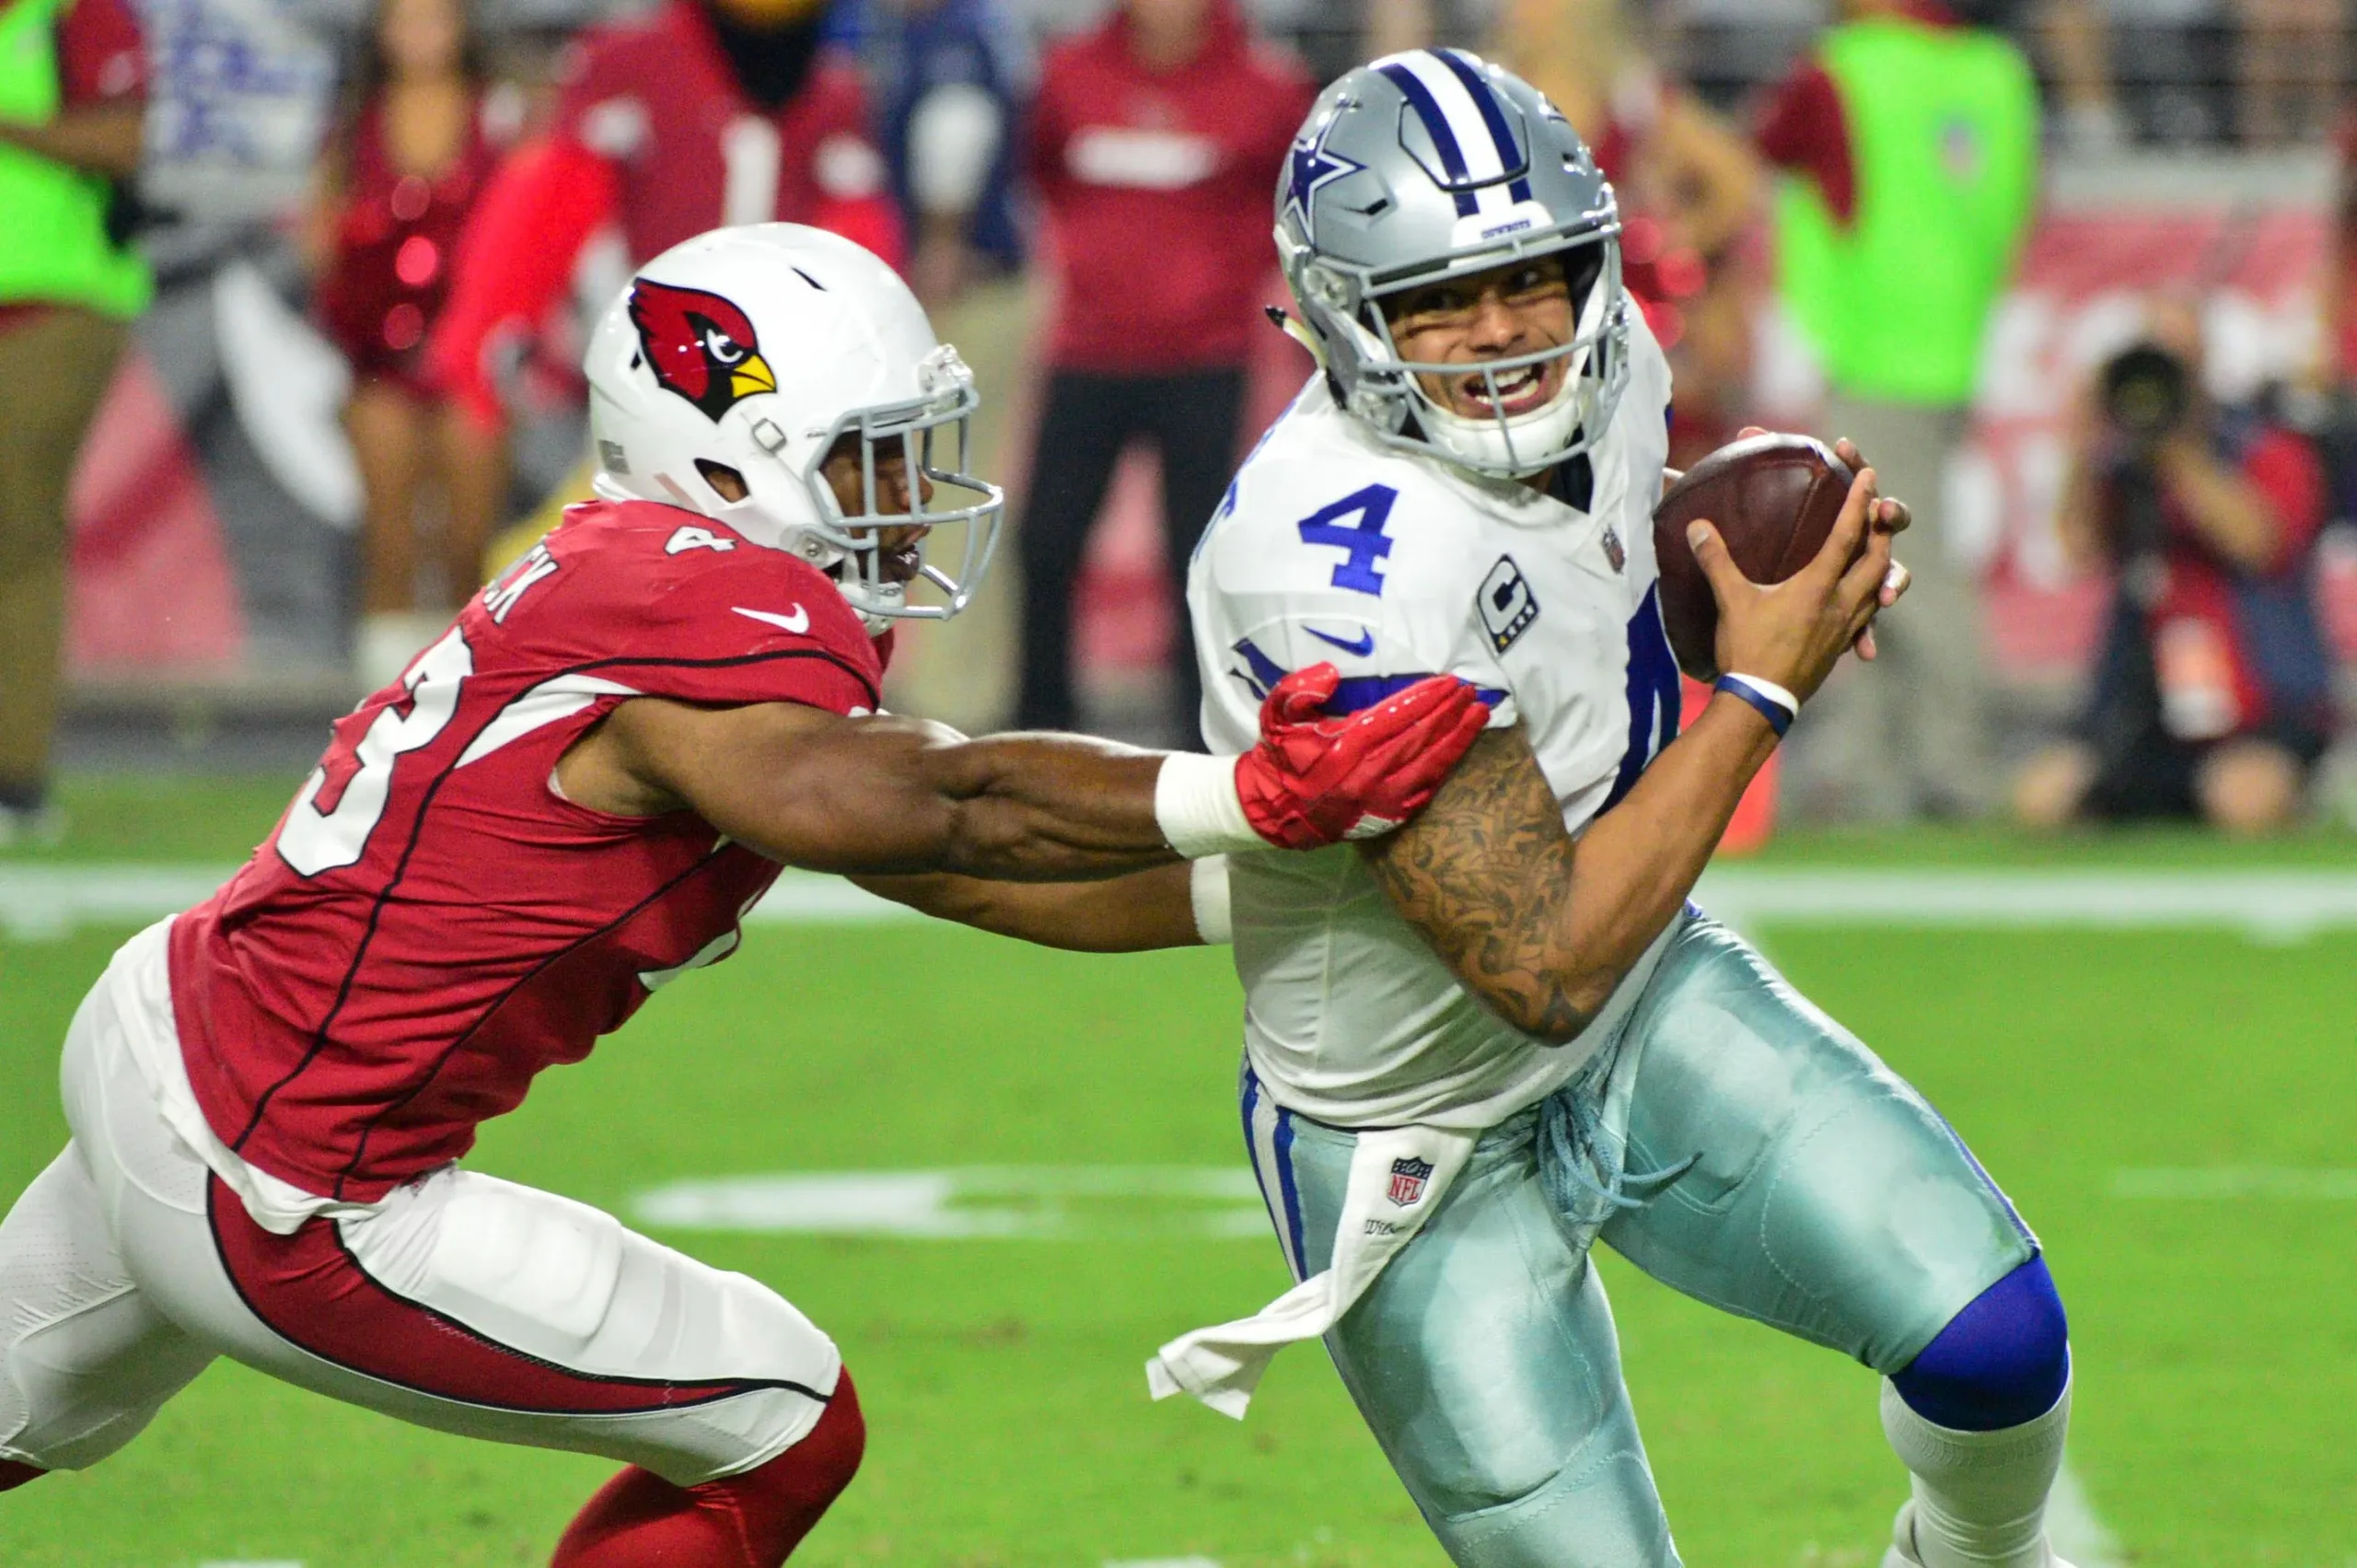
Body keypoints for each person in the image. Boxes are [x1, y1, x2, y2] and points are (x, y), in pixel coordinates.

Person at [0, 224, 1487, 1568]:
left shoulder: (633, 566)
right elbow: (935, 798)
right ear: (731, 460)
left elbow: (948, 859)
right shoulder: (713, 601)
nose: (908, 498)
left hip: (163, 1042)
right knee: (783, 1420)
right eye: (869, 457)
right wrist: (1244, 791)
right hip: (281, 1174)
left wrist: (1286, 894)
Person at [1155, 54, 2080, 1568]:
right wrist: (1760, 694)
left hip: (1645, 994)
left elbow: (1594, 606)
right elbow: (1540, 963)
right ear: (1337, 309)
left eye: (1532, 274)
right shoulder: (1324, 564)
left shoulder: (1615, 357)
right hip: (1418, 1128)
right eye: (1440, 299)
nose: (1507, 329)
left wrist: (1756, 585)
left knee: (1992, 1338)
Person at [1755, 0, 2039, 821]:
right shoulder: (1996, 72)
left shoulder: (1846, 68)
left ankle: (1962, 759)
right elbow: (2014, 200)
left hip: (1872, 343)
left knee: (1909, 569)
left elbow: (1768, 142)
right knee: (1869, 558)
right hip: (1952, 337)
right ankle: (1880, 768)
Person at [1014, 0, 1315, 742]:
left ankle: (1204, 732)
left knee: (1204, 554)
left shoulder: (1268, 88)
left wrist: (1219, 281)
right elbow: (1042, 171)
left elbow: (1294, 204)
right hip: (1088, 351)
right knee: (1046, 540)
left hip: (1205, 361)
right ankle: (1039, 723)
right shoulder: (1068, 74)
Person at [425, 0, 902, 439]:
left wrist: (874, 359)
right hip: (640, 368)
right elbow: (543, 212)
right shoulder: (636, 62)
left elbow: (861, 241)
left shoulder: (833, 89)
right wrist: (481, 339)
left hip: (785, 381)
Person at [2014, 300, 2334, 834]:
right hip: (2150, 706)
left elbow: (2259, 544)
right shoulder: (2120, 461)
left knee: (2243, 800)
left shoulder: (2264, 445)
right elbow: (2075, 545)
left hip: (2256, 704)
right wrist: (2082, 440)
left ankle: (2289, 793)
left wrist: (2180, 448)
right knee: (2041, 798)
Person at [313, 0, 513, 689]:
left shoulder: (500, 116)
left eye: (436, 17)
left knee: (467, 544)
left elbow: (525, 230)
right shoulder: (353, 123)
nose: (421, 34)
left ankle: (470, 707)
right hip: (378, 359)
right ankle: (383, 709)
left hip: (473, 361)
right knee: (390, 539)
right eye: (405, 18)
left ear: (463, 28)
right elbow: (321, 229)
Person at [0, 0, 149, 845]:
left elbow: (122, 140)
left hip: (54, 304)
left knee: (15, 525)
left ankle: (15, 776)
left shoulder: (81, 16)